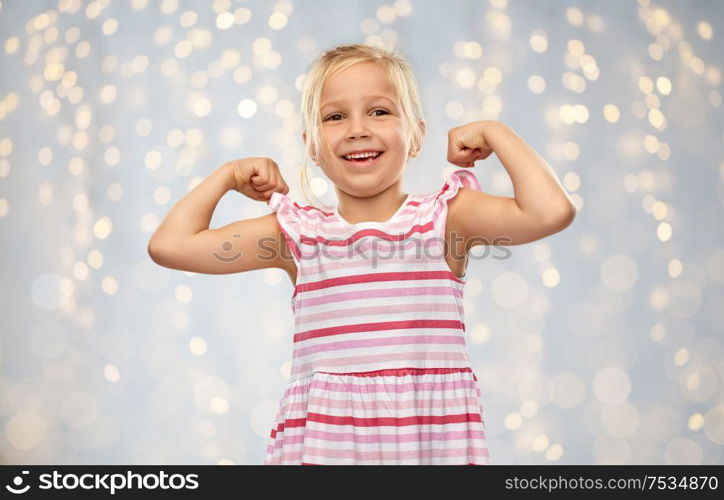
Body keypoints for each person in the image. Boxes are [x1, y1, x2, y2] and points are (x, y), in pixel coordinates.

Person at [147, 43, 576, 465]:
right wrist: (227, 175)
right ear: (312, 146)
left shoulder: (447, 219)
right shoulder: (298, 235)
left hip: (426, 443)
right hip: (329, 446)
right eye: (335, 117)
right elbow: (171, 245)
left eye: (379, 111)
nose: (357, 129)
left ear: (417, 135)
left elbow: (550, 211)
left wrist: (495, 132)